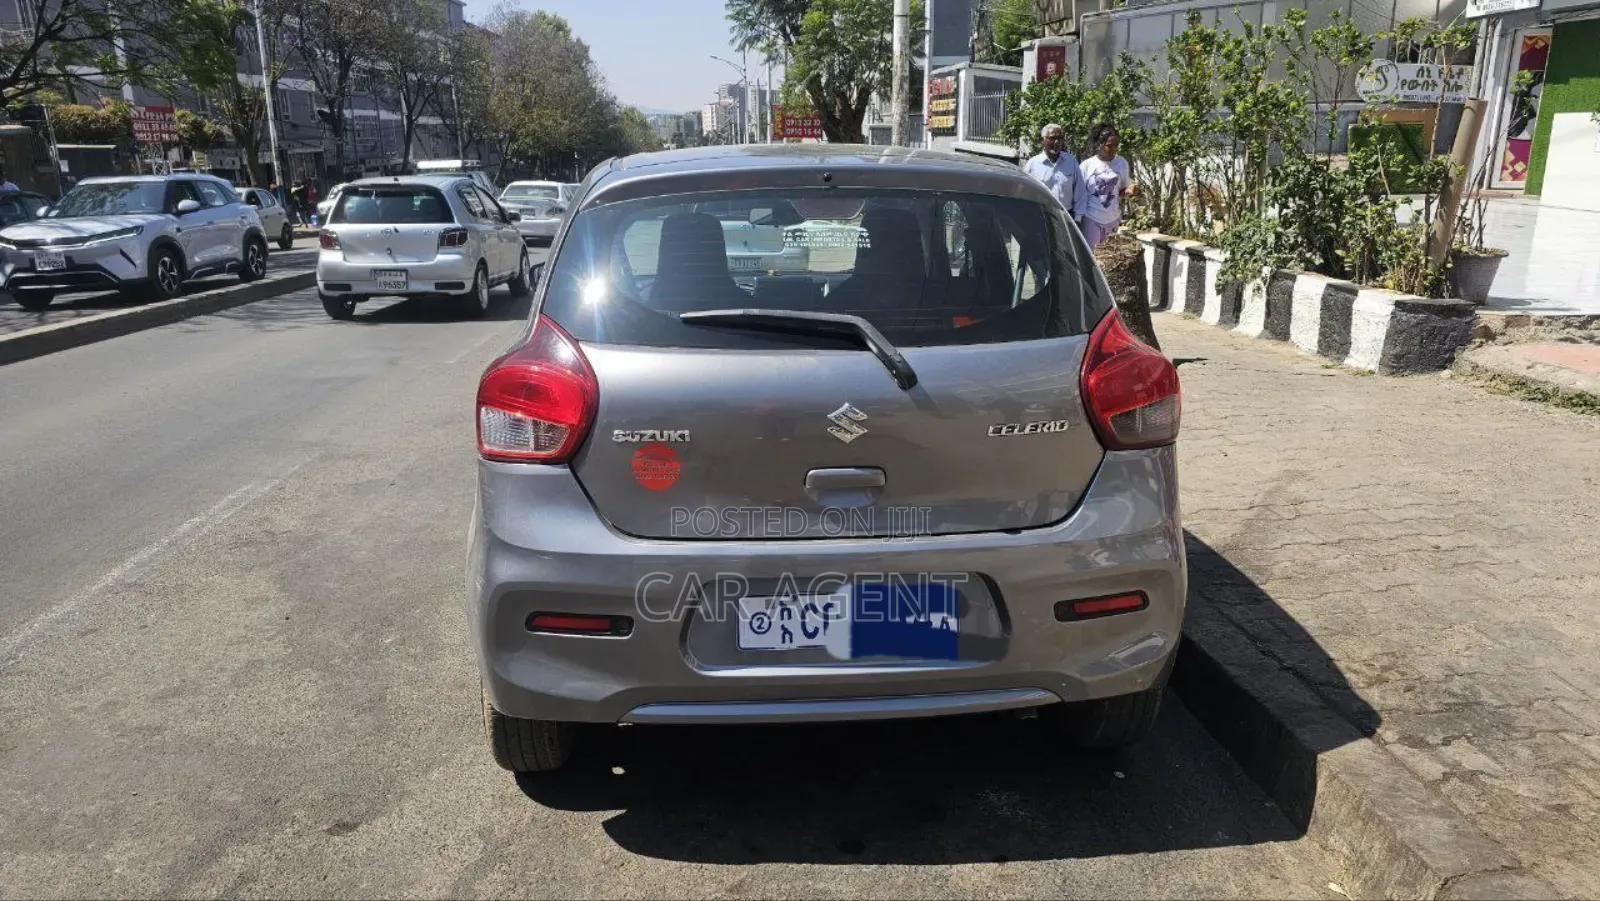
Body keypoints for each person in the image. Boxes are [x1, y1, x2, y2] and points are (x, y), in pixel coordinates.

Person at [1078, 122, 1138, 248]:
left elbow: (1122, 189)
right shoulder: (1086, 166)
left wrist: (1131, 190)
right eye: (1109, 146)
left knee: (1108, 258)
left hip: (1112, 219)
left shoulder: (1121, 163)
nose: (1114, 149)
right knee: (1092, 258)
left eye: (1116, 145)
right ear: (1099, 144)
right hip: (1091, 219)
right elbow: (1079, 196)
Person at [1023, 123, 1089, 230]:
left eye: (1059, 138)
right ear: (1042, 140)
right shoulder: (1033, 164)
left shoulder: (1071, 162)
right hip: (1040, 216)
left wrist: (1077, 219)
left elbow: (1080, 192)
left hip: (1066, 217)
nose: (1056, 142)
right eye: (1052, 138)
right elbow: (1025, 193)